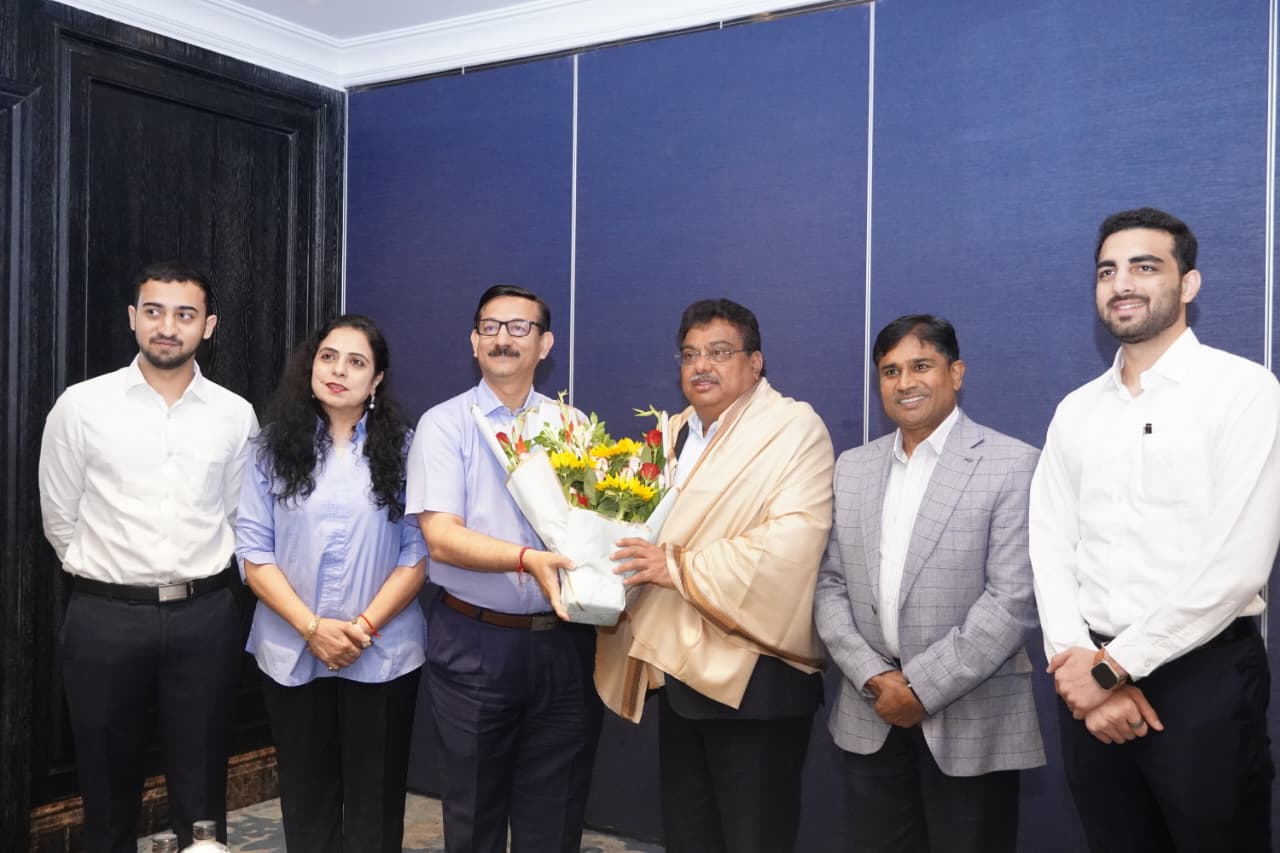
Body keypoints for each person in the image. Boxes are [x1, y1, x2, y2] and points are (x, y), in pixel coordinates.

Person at [1030, 207, 1280, 852]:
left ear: (1188, 283)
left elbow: (1238, 566)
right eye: (1107, 271)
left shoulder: (1244, 391)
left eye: (1145, 267)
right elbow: (1050, 547)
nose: (1122, 284)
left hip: (1202, 680)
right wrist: (1081, 669)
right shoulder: (1075, 410)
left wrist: (1113, 671)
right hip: (1088, 673)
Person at [595, 298, 834, 853]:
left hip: (757, 680)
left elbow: (790, 546)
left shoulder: (793, 429)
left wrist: (676, 566)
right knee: (689, 836)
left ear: (755, 362)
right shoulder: (672, 434)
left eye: (720, 352)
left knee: (755, 839)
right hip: (677, 673)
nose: (701, 365)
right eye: (690, 354)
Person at [38, 262, 257, 853]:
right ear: (133, 317)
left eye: (185, 314)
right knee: (106, 790)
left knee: (202, 786)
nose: (167, 326)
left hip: (204, 616)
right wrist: (111, 579)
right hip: (105, 617)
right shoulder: (82, 406)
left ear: (208, 326)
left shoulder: (234, 414)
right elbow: (59, 517)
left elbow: (240, 516)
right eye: (154, 311)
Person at [813, 314, 1045, 853]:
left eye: (921, 366)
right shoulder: (853, 467)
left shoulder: (1013, 464)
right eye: (890, 371)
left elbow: (1012, 600)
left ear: (955, 373)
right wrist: (875, 677)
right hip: (871, 710)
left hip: (972, 718)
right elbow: (829, 585)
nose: (905, 383)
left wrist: (919, 689)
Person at [406, 284, 602, 853]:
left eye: (519, 328)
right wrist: (525, 559)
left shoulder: (573, 427)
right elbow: (441, 538)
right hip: (475, 641)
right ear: (473, 342)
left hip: (563, 642)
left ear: (546, 345)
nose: (502, 339)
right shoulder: (445, 424)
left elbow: (595, 528)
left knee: (556, 814)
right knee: (474, 813)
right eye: (490, 327)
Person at [234, 314, 427, 853]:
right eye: (328, 357)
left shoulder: (408, 451)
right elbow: (253, 551)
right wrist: (313, 629)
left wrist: (361, 629)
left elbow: (418, 553)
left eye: (356, 362)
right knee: (306, 803)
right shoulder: (269, 448)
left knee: (375, 808)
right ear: (311, 366)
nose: (338, 371)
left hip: (382, 651)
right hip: (291, 647)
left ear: (377, 379)